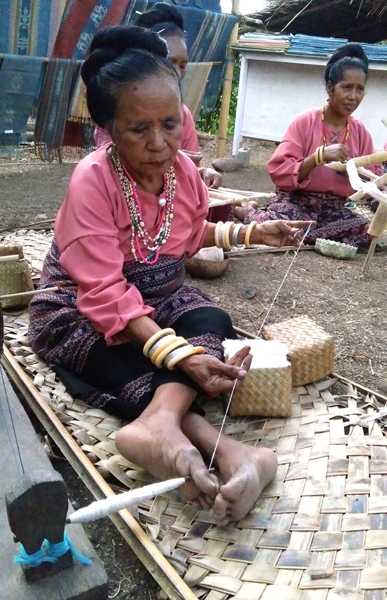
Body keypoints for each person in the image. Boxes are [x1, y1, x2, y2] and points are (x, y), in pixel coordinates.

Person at [28, 26, 308, 525]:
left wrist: (254, 235)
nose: (159, 144)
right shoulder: (93, 180)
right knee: (129, 354)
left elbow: (190, 234)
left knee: (209, 317)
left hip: (156, 300)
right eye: (138, 129)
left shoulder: (183, 173)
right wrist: (179, 354)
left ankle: (164, 427)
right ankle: (228, 451)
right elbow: (106, 292)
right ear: (108, 128)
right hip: (80, 309)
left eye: (170, 123)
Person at [237, 43, 382, 247]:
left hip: (340, 206)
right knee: (289, 224)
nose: (353, 96)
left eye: (360, 89)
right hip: (300, 201)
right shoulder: (305, 122)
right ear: (330, 88)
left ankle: (313, 235)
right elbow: (280, 172)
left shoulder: (360, 132)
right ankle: (248, 210)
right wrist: (317, 158)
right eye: (346, 87)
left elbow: (372, 181)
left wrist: (354, 173)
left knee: (367, 228)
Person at [94, 3, 221, 189]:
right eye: (169, 63)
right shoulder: (117, 109)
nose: (176, 73)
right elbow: (114, 168)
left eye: (183, 65)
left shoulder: (182, 115)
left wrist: (201, 174)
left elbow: (188, 172)